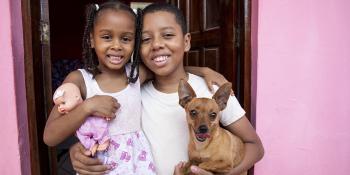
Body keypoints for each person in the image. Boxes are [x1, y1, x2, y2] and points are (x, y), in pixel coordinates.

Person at [69, 2, 264, 175]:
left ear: (186, 41)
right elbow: (110, 133)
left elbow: (255, 147)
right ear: (137, 47)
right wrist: (78, 150)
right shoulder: (132, 91)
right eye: (145, 39)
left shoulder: (211, 92)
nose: (157, 45)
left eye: (168, 35)